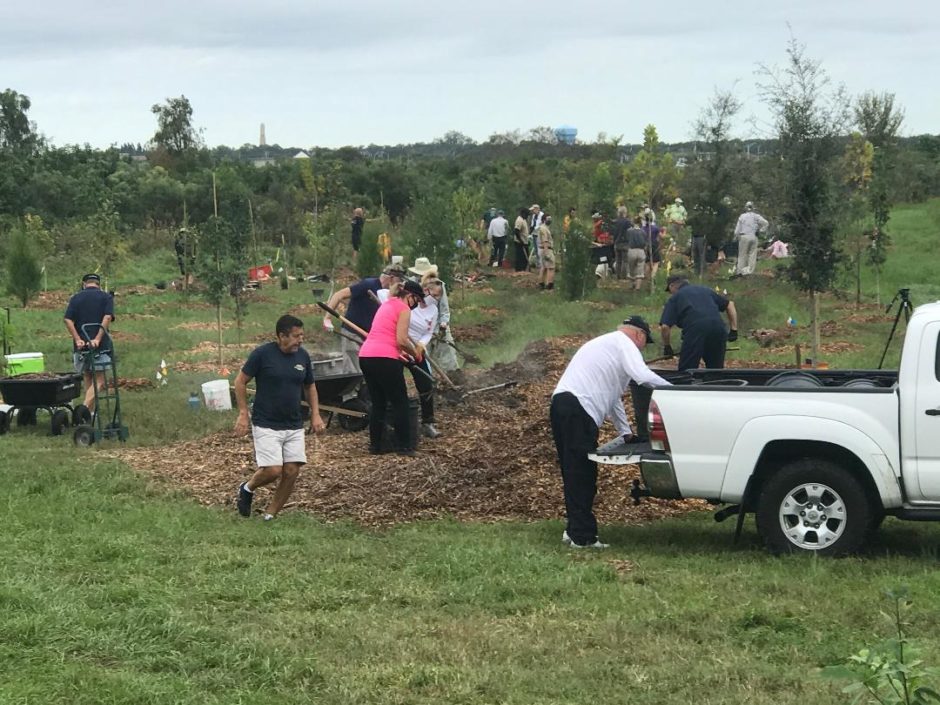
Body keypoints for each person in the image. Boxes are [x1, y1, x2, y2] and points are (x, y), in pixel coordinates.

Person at [551, 316, 670, 548]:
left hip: (562, 404)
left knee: (573, 471)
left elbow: (614, 397)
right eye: (645, 343)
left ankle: (574, 527)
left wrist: (625, 432)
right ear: (639, 335)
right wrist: (676, 390)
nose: (643, 349)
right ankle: (582, 537)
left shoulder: (608, 345)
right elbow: (643, 376)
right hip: (578, 409)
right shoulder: (624, 343)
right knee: (582, 473)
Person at [234, 315, 326, 521]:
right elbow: (240, 382)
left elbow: (310, 386)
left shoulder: (302, 356)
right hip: (266, 422)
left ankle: (270, 515)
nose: (300, 340)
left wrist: (316, 414)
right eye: (295, 336)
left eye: (302, 335)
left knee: (292, 471)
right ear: (281, 336)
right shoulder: (262, 355)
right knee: (273, 470)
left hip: (293, 423)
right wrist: (242, 414)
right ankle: (247, 488)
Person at [358, 279, 425, 456]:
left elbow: (386, 336)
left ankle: (376, 446)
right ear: (410, 296)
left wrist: (402, 354)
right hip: (384, 358)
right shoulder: (403, 309)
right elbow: (401, 340)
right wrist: (415, 354)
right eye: (416, 301)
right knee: (400, 402)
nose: (416, 306)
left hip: (366, 356)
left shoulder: (388, 303)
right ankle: (404, 447)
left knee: (378, 402)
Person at [322, 264, 406, 372]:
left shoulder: (388, 295)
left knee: (368, 371)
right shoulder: (368, 284)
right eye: (398, 282)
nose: (399, 286)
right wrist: (327, 318)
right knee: (354, 371)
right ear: (391, 278)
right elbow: (339, 295)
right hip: (352, 333)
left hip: (369, 338)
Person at [660, 275, 738, 371]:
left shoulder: (676, 298)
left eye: (669, 291)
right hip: (718, 329)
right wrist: (734, 330)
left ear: (672, 286)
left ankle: (687, 385)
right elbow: (730, 305)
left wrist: (667, 346)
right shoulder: (706, 290)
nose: (670, 293)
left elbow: (665, 327)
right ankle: (716, 384)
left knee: (687, 370)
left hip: (695, 330)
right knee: (716, 370)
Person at [64, 273, 114, 414]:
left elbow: (68, 319)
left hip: (81, 346)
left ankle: (90, 414)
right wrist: (98, 338)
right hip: (100, 345)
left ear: (84, 283)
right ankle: (84, 410)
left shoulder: (76, 298)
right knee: (100, 380)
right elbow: (108, 316)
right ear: (98, 284)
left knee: (87, 376)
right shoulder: (106, 297)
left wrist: (77, 339)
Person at [733, 201, 769, 277]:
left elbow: (737, 230)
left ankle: (740, 272)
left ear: (745, 208)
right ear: (753, 208)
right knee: (752, 255)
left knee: (742, 255)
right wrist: (760, 230)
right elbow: (766, 223)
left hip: (744, 236)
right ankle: (749, 272)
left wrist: (736, 236)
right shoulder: (756, 216)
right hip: (753, 236)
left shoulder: (742, 216)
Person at [624, 219, 648, 290]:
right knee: (640, 269)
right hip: (641, 250)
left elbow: (627, 239)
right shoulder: (643, 232)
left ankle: (631, 284)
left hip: (632, 250)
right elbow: (645, 241)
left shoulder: (629, 231)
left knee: (631, 268)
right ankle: (638, 287)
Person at [611, 206, 632, 280]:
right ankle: (624, 276)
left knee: (618, 260)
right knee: (625, 261)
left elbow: (613, 232)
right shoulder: (627, 222)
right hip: (625, 243)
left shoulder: (615, 222)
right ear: (624, 213)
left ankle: (618, 276)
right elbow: (630, 232)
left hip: (617, 242)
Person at [641, 212, 662, 282]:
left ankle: (647, 279)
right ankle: (653, 277)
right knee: (656, 262)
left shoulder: (643, 228)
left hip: (646, 245)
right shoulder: (655, 228)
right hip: (654, 245)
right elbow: (661, 236)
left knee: (647, 262)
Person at [536, 215, 555, 290]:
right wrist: (547, 253)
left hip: (542, 249)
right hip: (546, 249)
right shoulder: (543, 229)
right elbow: (545, 241)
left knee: (543, 267)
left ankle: (541, 284)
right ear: (544, 219)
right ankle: (550, 284)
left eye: (550, 218)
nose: (550, 220)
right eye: (548, 219)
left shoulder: (544, 228)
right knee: (551, 267)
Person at [512, 207, 530, 272]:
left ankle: (524, 269)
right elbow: (516, 231)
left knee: (525, 256)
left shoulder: (523, 220)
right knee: (520, 256)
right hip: (519, 242)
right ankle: (519, 269)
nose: (527, 216)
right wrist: (521, 241)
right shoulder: (519, 220)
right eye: (527, 215)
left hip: (524, 241)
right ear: (523, 213)